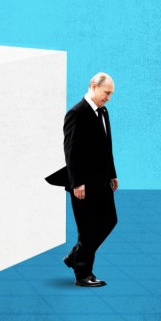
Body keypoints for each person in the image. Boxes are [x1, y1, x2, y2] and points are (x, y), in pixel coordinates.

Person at [46, 73, 118, 287]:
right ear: (93, 86)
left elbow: (107, 147)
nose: (108, 98)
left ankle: (75, 255)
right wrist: (76, 182)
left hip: (102, 180)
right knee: (87, 229)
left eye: (111, 94)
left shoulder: (103, 112)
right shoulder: (76, 114)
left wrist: (113, 174)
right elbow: (71, 151)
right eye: (106, 93)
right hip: (83, 184)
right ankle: (83, 274)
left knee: (109, 220)